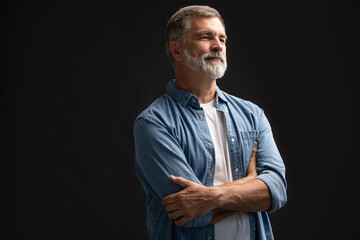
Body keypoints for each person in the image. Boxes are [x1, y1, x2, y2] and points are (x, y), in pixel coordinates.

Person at [133, 5, 287, 240]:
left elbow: (275, 191)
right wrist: (249, 183)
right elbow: (189, 211)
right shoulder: (153, 123)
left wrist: (211, 198)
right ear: (177, 50)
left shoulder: (252, 115)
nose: (218, 46)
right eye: (206, 37)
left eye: (222, 39)